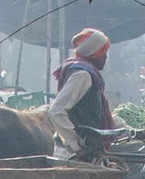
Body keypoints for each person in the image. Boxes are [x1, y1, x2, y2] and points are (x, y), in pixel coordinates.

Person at [45, 28, 116, 157]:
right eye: (103, 53)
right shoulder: (82, 75)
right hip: (71, 155)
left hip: (84, 152)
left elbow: (97, 116)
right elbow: (55, 111)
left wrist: (131, 131)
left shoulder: (87, 73)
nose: (105, 57)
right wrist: (75, 145)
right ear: (95, 53)